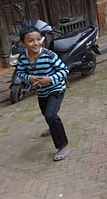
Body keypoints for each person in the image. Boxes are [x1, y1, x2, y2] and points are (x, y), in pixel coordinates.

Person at [16, 26, 70, 161]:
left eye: (39, 39)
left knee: (51, 115)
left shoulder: (49, 55)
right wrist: (29, 78)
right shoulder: (23, 58)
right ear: (22, 43)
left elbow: (64, 71)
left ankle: (63, 145)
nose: (36, 43)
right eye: (31, 40)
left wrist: (50, 79)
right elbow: (20, 73)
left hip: (56, 89)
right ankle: (53, 128)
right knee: (46, 113)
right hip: (41, 92)